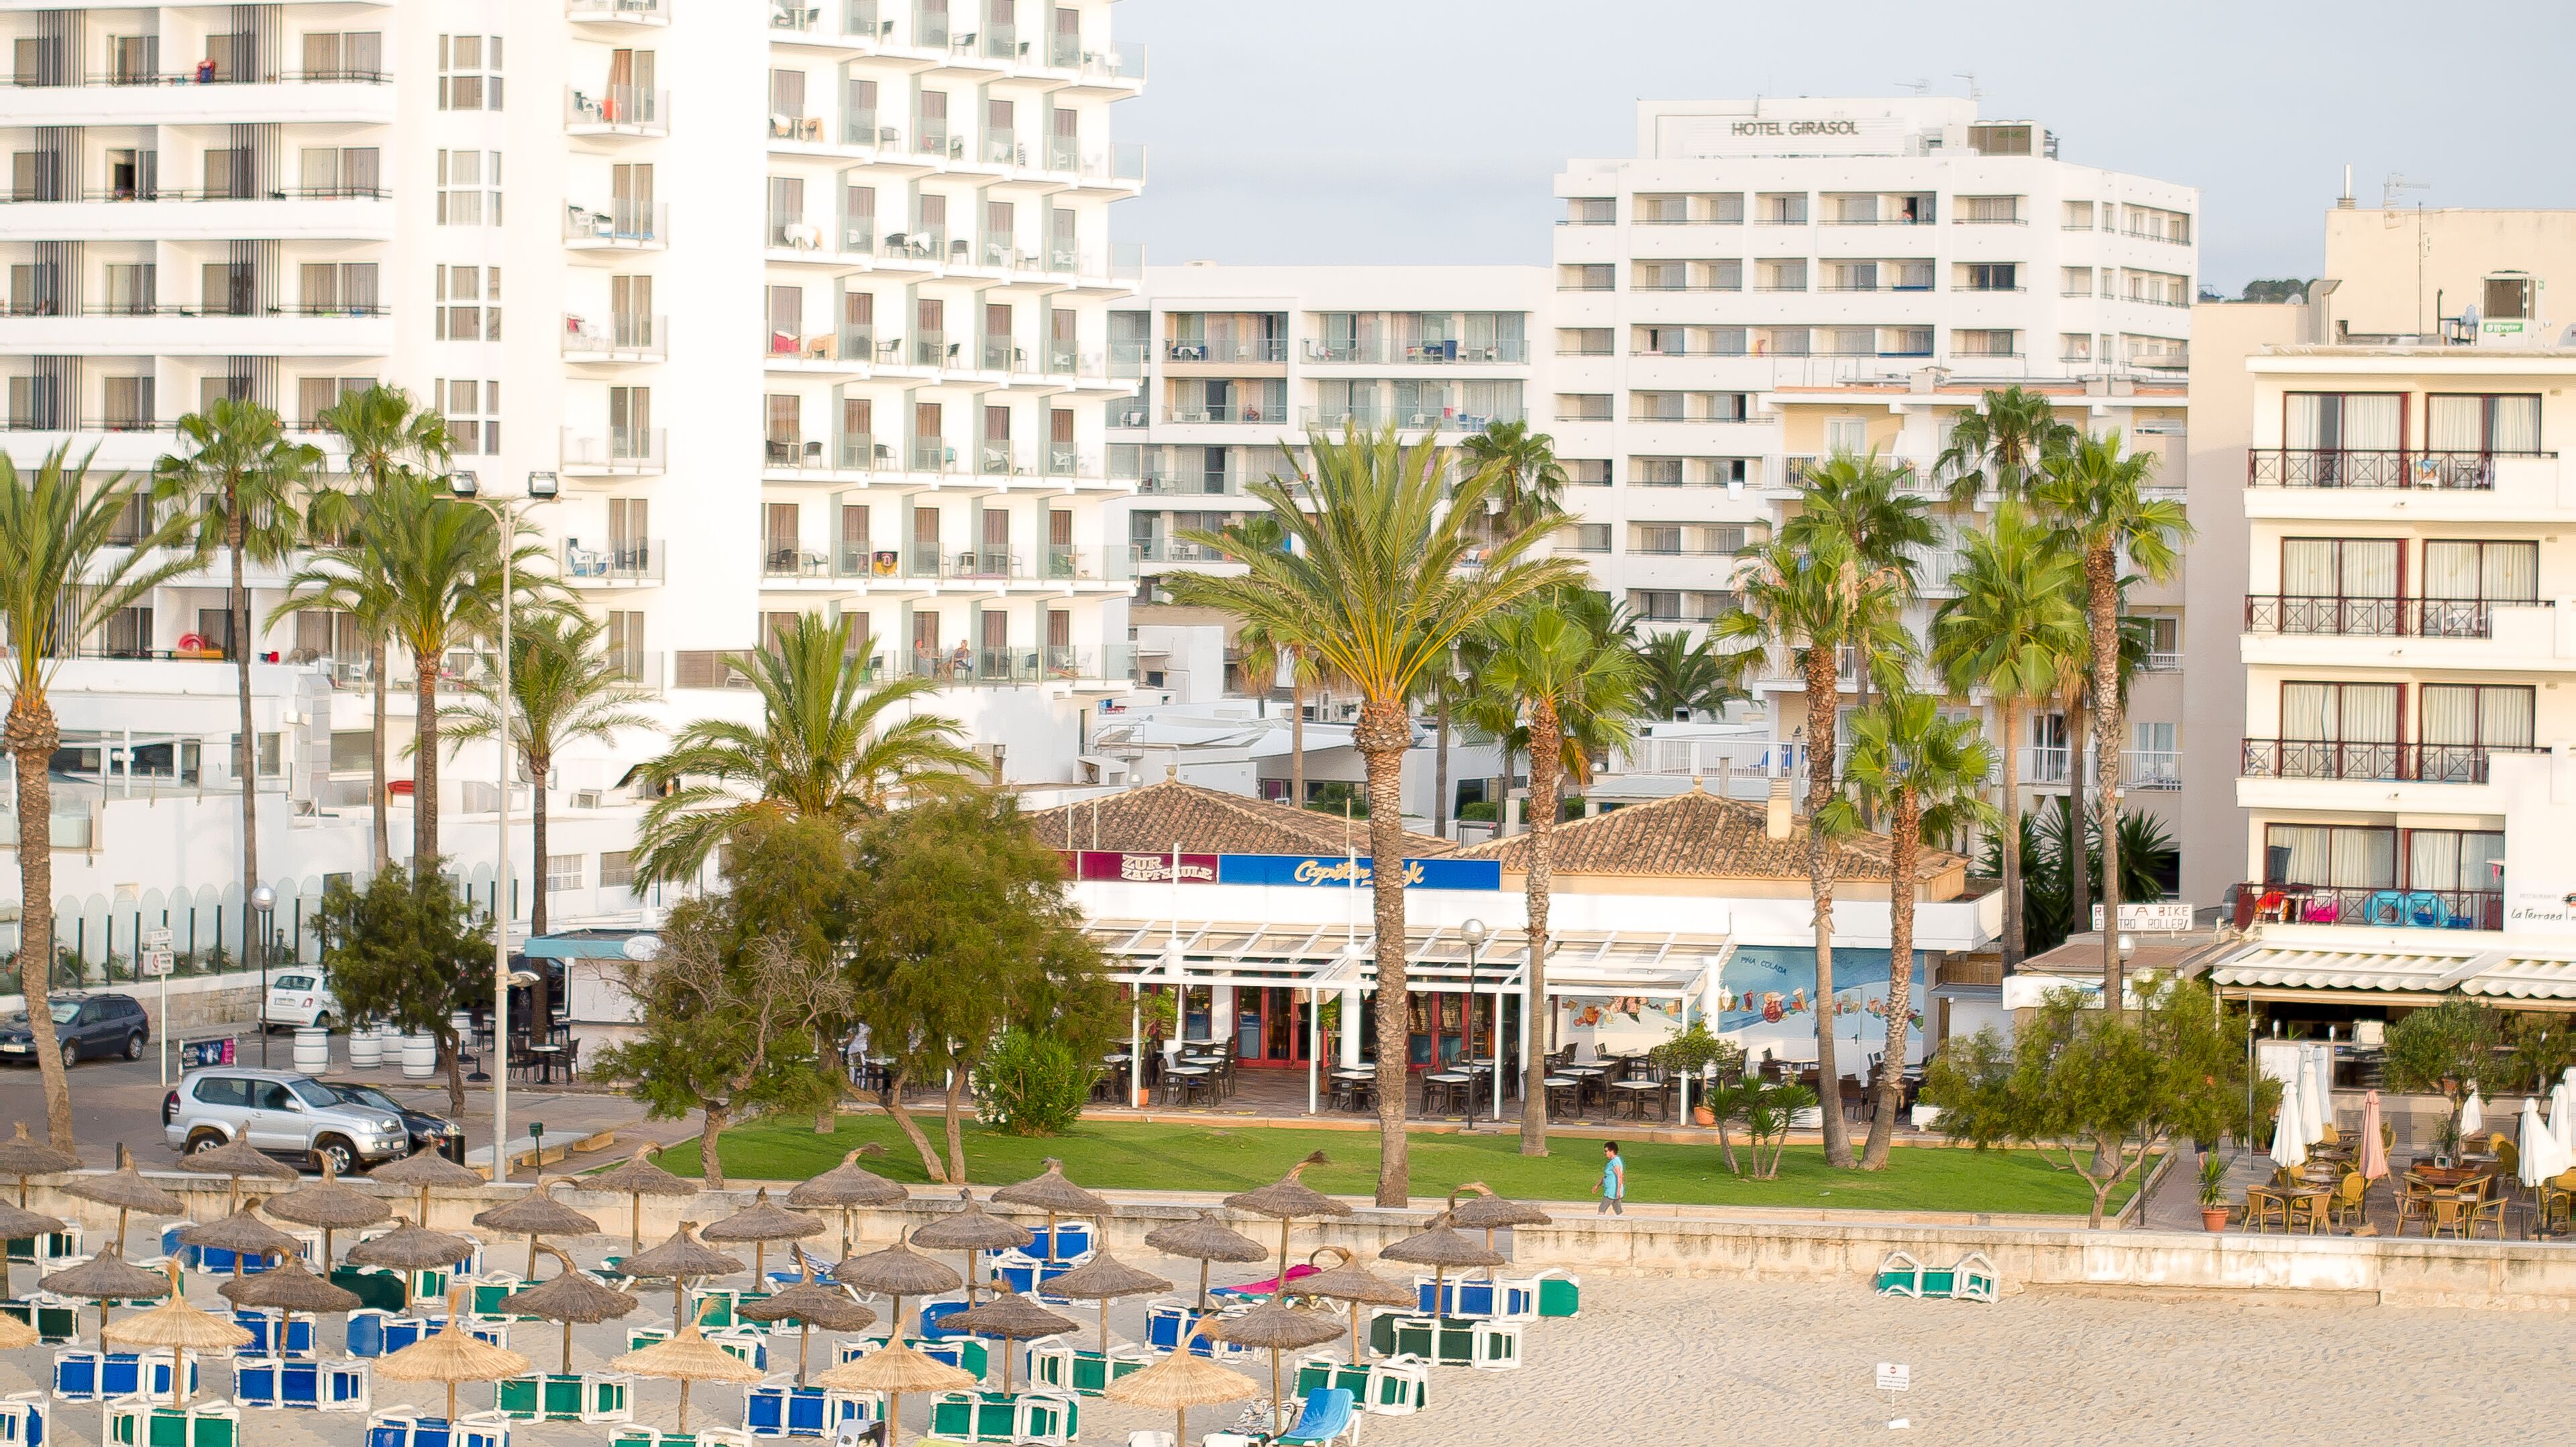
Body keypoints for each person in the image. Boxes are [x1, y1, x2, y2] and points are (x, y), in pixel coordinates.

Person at [1593, 1140, 1625, 1215]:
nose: (1605, 1153)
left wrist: (1618, 1191)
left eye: (1606, 1151)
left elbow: (1619, 1175)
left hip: (1612, 1191)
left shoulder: (1615, 1162)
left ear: (1612, 1151)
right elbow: (1606, 1176)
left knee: (1602, 1209)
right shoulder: (1613, 1162)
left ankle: (1600, 1224)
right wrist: (1598, 1185)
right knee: (1618, 1210)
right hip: (1612, 1191)